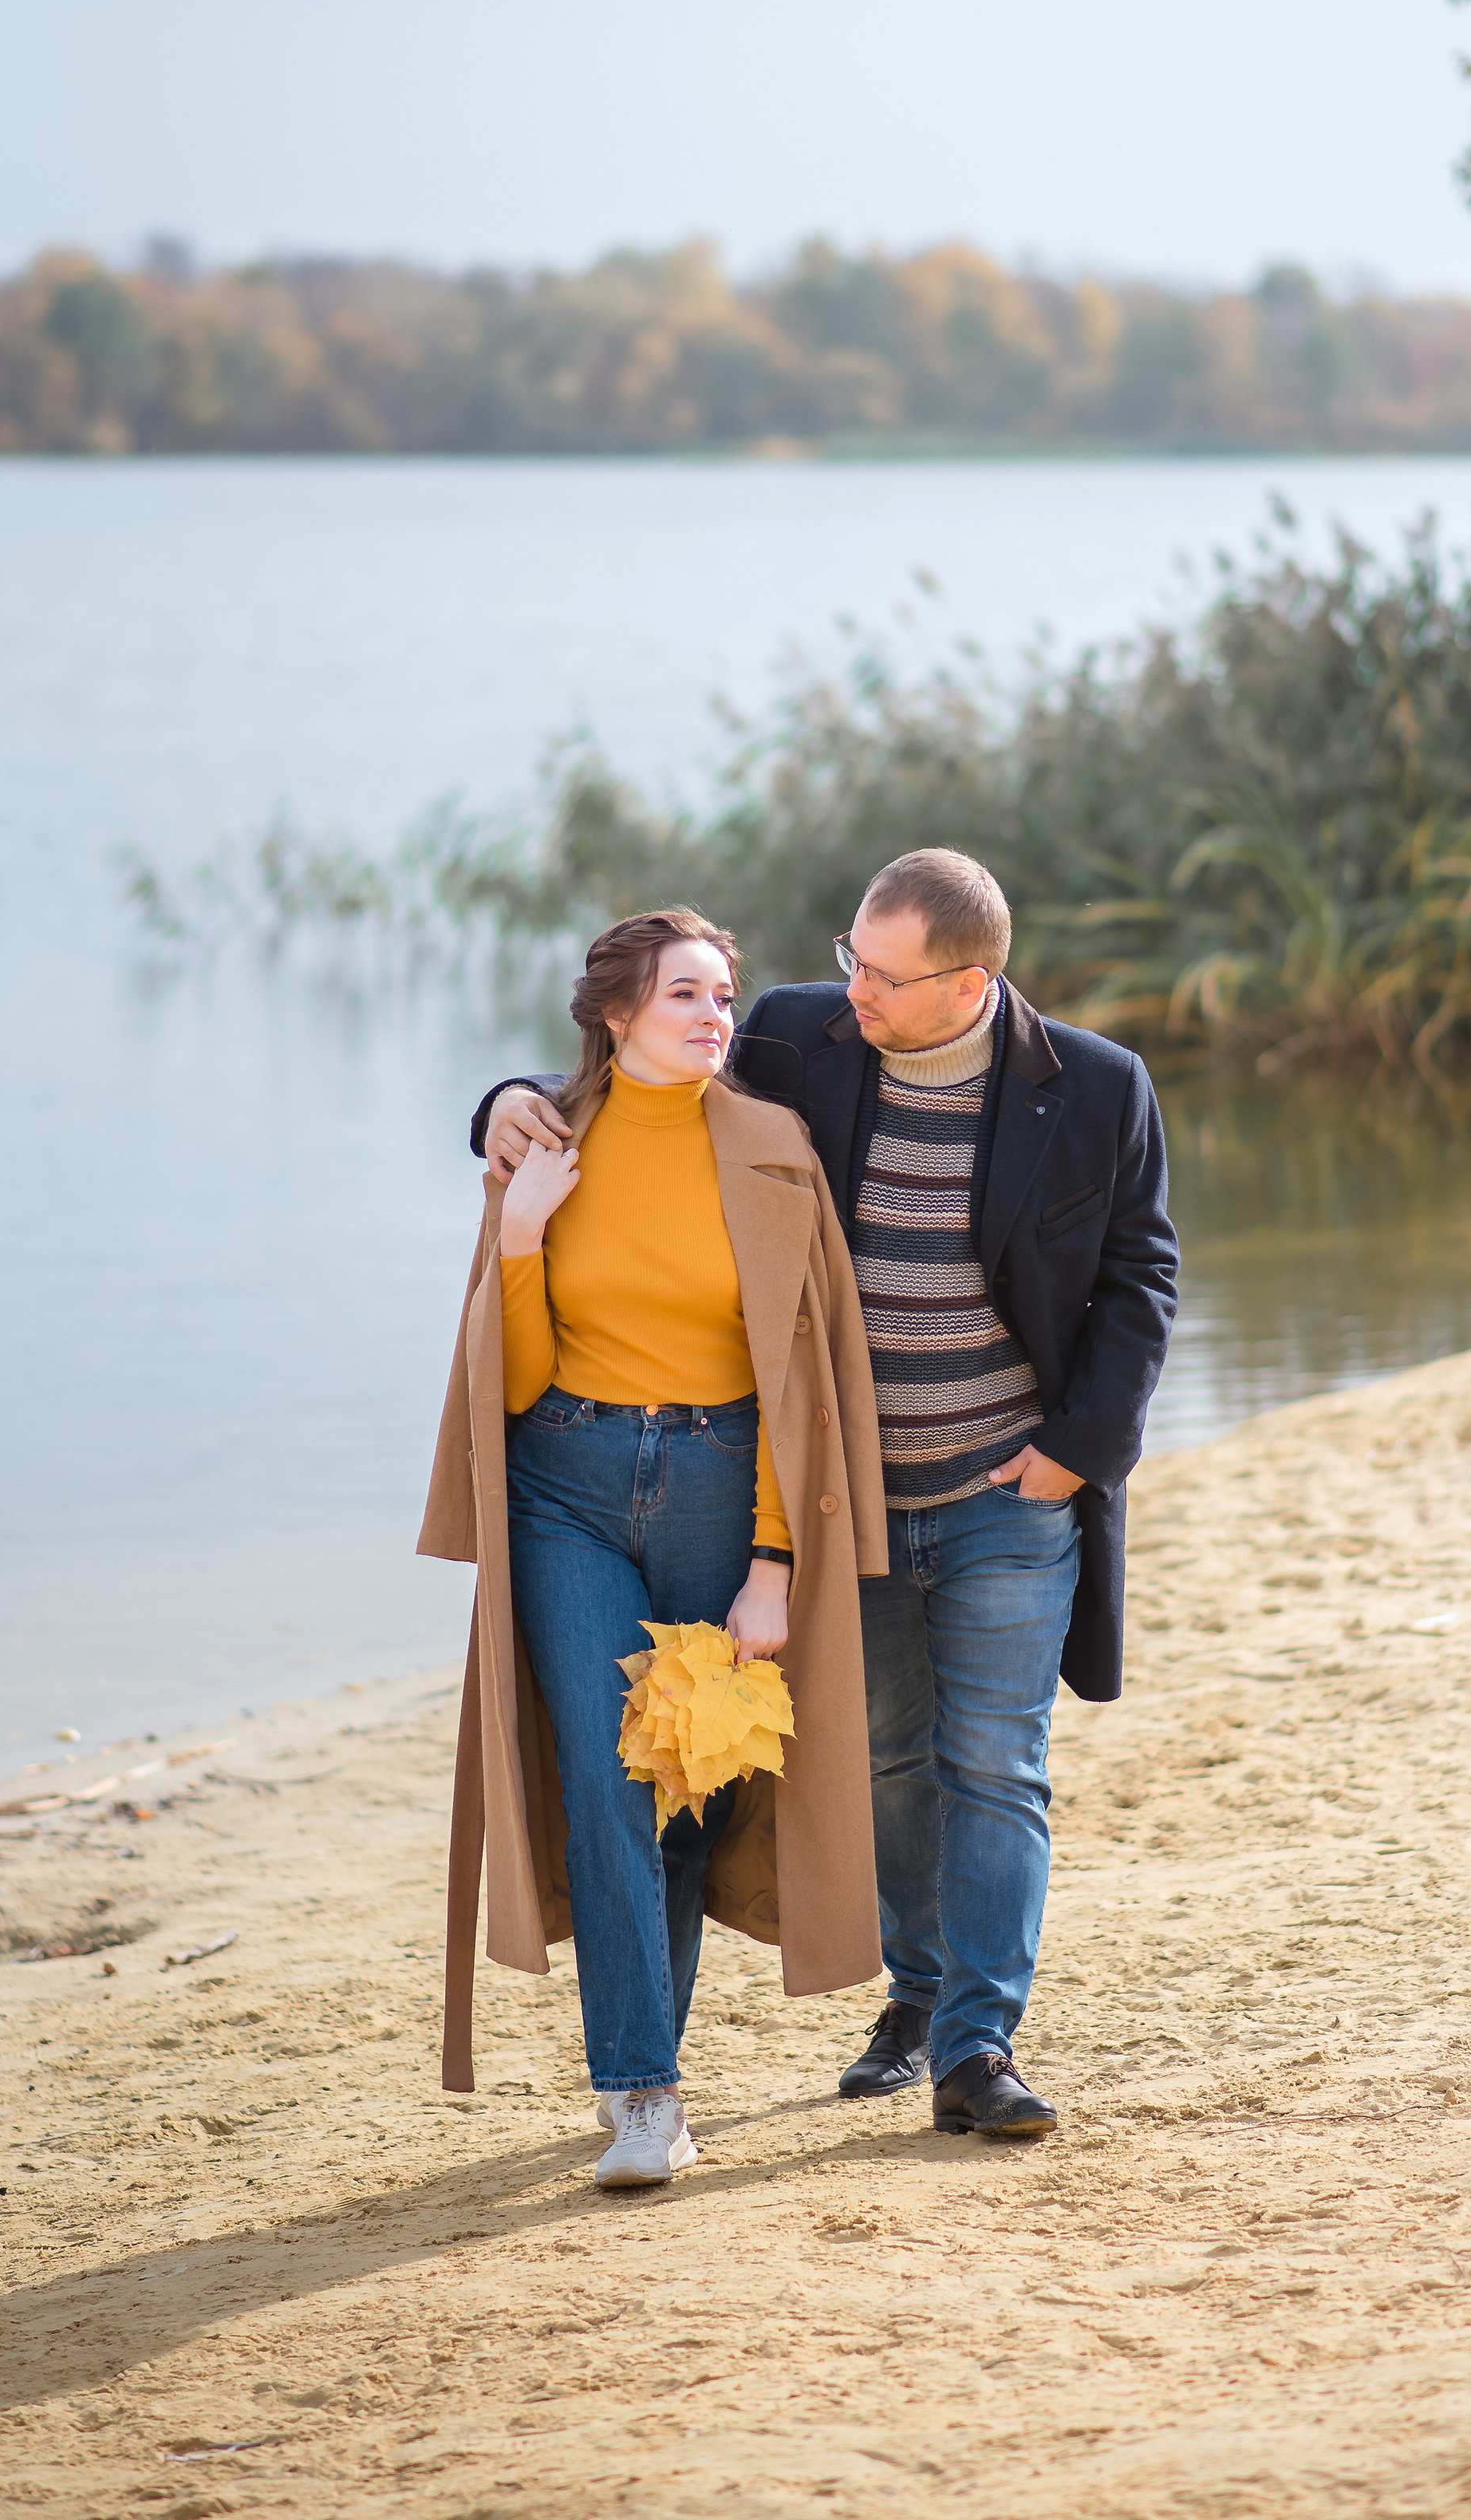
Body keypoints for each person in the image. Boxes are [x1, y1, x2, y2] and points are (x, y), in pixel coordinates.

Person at [475, 850, 1177, 2144]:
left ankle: (979, 2042)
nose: (846, 984)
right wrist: (506, 1101)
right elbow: (638, 1069)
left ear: (970, 980)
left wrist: (1079, 1450)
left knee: (998, 1763)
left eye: (881, 970)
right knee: (895, 1765)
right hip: (847, 1497)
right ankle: (915, 2001)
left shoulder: (1096, 1089)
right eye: (847, 953)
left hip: (1005, 1491)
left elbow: (1142, 1280)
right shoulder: (806, 1036)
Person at [418, 906, 887, 2188]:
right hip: (566, 1487)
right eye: (685, 993)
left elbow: (803, 1384)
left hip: (723, 1491)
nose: (714, 1013)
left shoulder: (774, 1148)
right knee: (604, 1779)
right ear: (616, 1014)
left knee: (687, 1798)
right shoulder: (546, 1145)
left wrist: (776, 1564)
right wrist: (519, 1237)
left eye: (723, 993)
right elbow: (506, 1394)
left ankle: (648, 2063)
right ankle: (641, 2089)